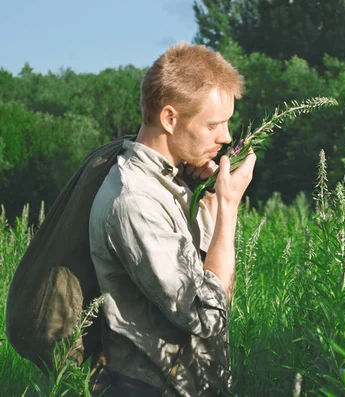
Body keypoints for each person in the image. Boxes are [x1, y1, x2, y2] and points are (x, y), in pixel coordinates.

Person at [88, 42, 256, 396]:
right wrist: (229, 208)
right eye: (214, 125)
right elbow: (209, 314)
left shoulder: (173, 183)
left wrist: (209, 203)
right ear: (169, 118)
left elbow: (213, 283)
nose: (226, 138)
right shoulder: (135, 201)